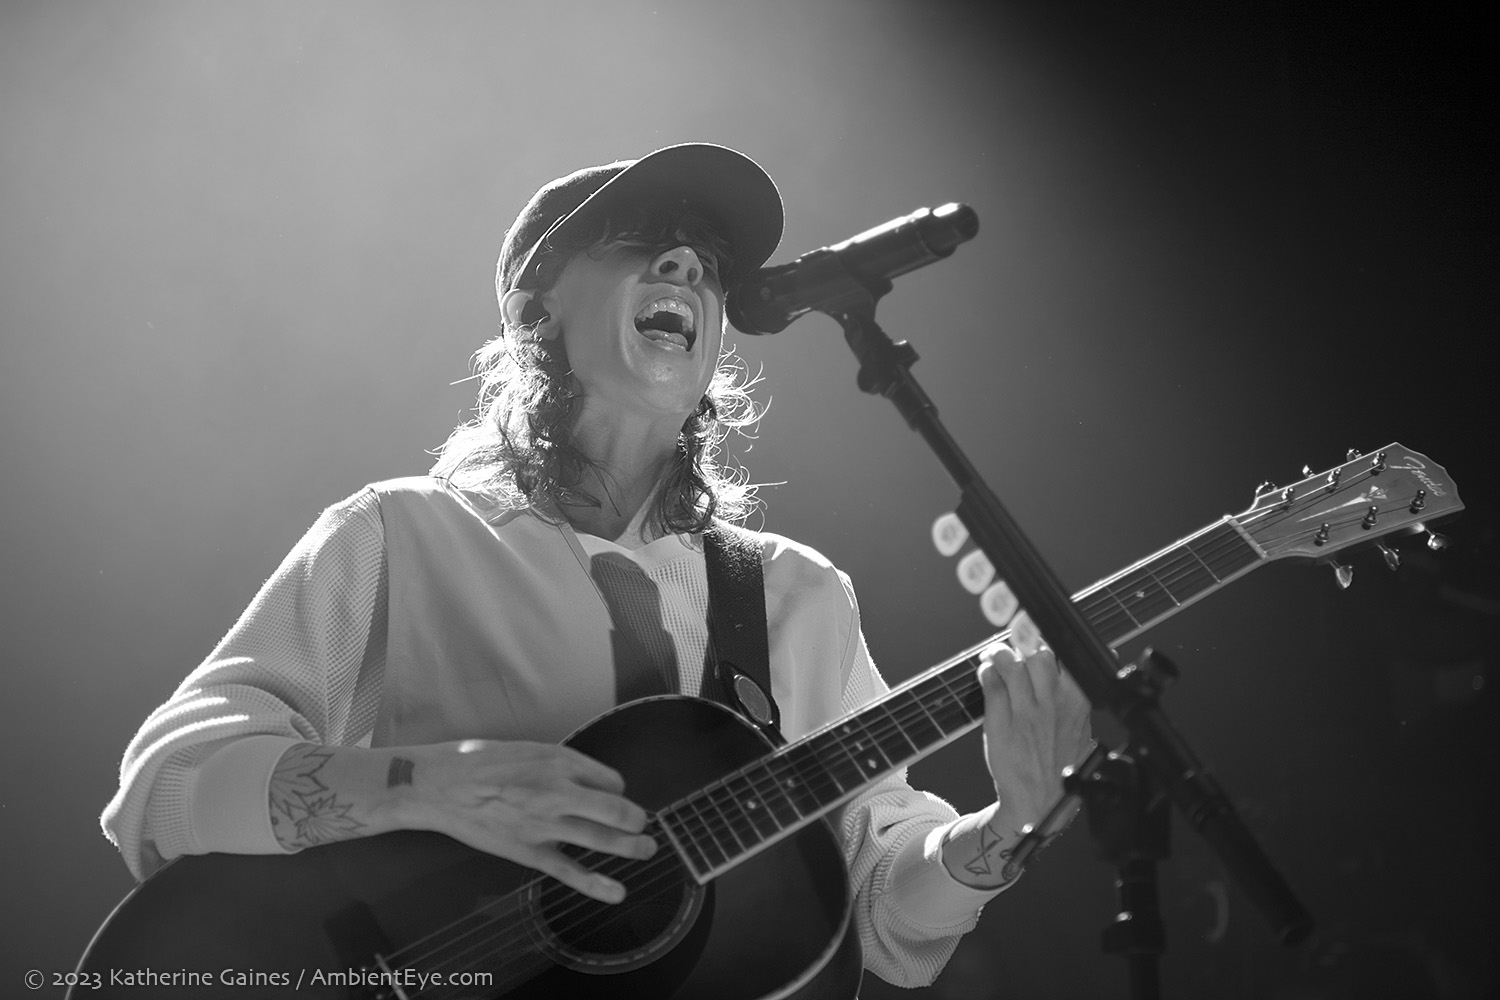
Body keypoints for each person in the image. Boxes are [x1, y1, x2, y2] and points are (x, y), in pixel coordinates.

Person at [100, 143, 1093, 989]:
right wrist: (423, 785)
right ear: (539, 310)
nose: (687, 266)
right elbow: (167, 788)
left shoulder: (798, 597)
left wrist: (1005, 826)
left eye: (707, 260)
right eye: (639, 240)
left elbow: (880, 912)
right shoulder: (402, 534)